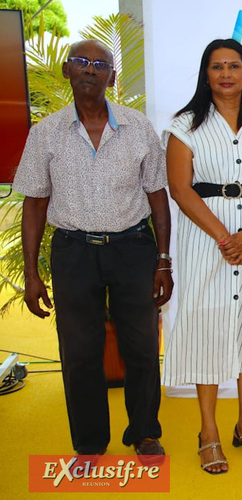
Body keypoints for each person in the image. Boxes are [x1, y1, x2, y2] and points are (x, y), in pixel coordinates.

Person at [14, 39, 172, 458]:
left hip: (133, 249)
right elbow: (34, 203)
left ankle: (145, 432)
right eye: (81, 62)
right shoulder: (45, 133)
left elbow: (158, 197)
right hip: (74, 252)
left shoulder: (138, 128)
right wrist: (31, 274)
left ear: (112, 78)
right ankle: (89, 443)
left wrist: (163, 261)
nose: (90, 69)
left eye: (100, 64)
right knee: (80, 352)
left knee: (141, 347)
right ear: (67, 70)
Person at [163, 39, 242, 474]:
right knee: (207, 329)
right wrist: (225, 239)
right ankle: (208, 431)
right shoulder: (184, 126)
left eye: (234, 66)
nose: (226, 74)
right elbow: (180, 189)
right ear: (206, 75)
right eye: (217, 67)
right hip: (206, 239)